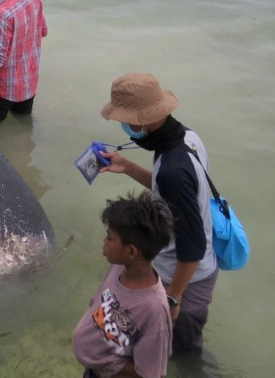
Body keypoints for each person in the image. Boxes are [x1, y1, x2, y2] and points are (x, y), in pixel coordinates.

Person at [98, 73, 219, 354]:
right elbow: (173, 191)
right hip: (191, 269)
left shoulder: (172, 171)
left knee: (181, 354)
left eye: (124, 120)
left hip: (186, 279)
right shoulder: (187, 138)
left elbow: (193, 247)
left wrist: (173, 299)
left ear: (140, 119)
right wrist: (127, 166)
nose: (124, 126)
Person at [73, 191, 174, 378]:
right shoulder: (119, 267)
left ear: (131, 251)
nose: (104, 241)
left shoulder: (153, 310)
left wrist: (108, 365)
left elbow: (150, 372)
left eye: (110, 237)